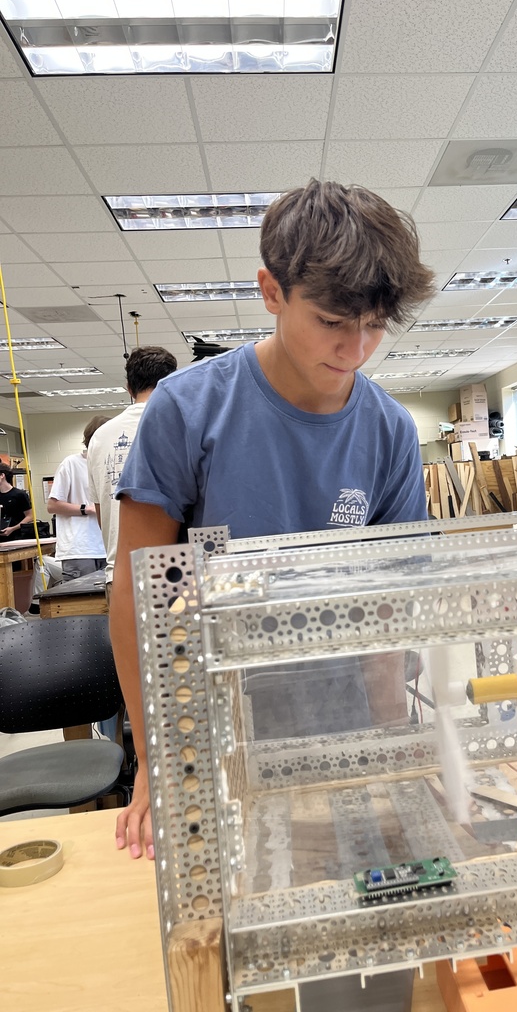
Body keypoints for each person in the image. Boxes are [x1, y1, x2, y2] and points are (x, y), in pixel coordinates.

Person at [110, 178, 435, 860]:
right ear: (271, 291)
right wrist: (156, 757)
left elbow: (390, 610)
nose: (355, 349)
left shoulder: (389, 431)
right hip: (214, 713)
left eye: (374, 325)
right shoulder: (186, 410)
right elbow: (137, 597)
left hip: (340, 707)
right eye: (332, 321)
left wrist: (388, 747)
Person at [87, 345, 178, 597]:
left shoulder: (100, 437)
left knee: (126, 638)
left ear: (129, 387)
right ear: (172, 383)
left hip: (120, 573)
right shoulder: (182, 426)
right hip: (176, 571)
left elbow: (100, 513)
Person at [46, 416, 109, 581]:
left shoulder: (108, 464)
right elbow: (52, 505)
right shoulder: (71, 464)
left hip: (108, 547)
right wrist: (86, 509)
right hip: (80, 549)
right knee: (83, 603)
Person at [0, 463, 33, 540]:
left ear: (2, 475)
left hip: (17, 537)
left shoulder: (20, 495)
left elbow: (30, 516)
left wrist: (12, 528)